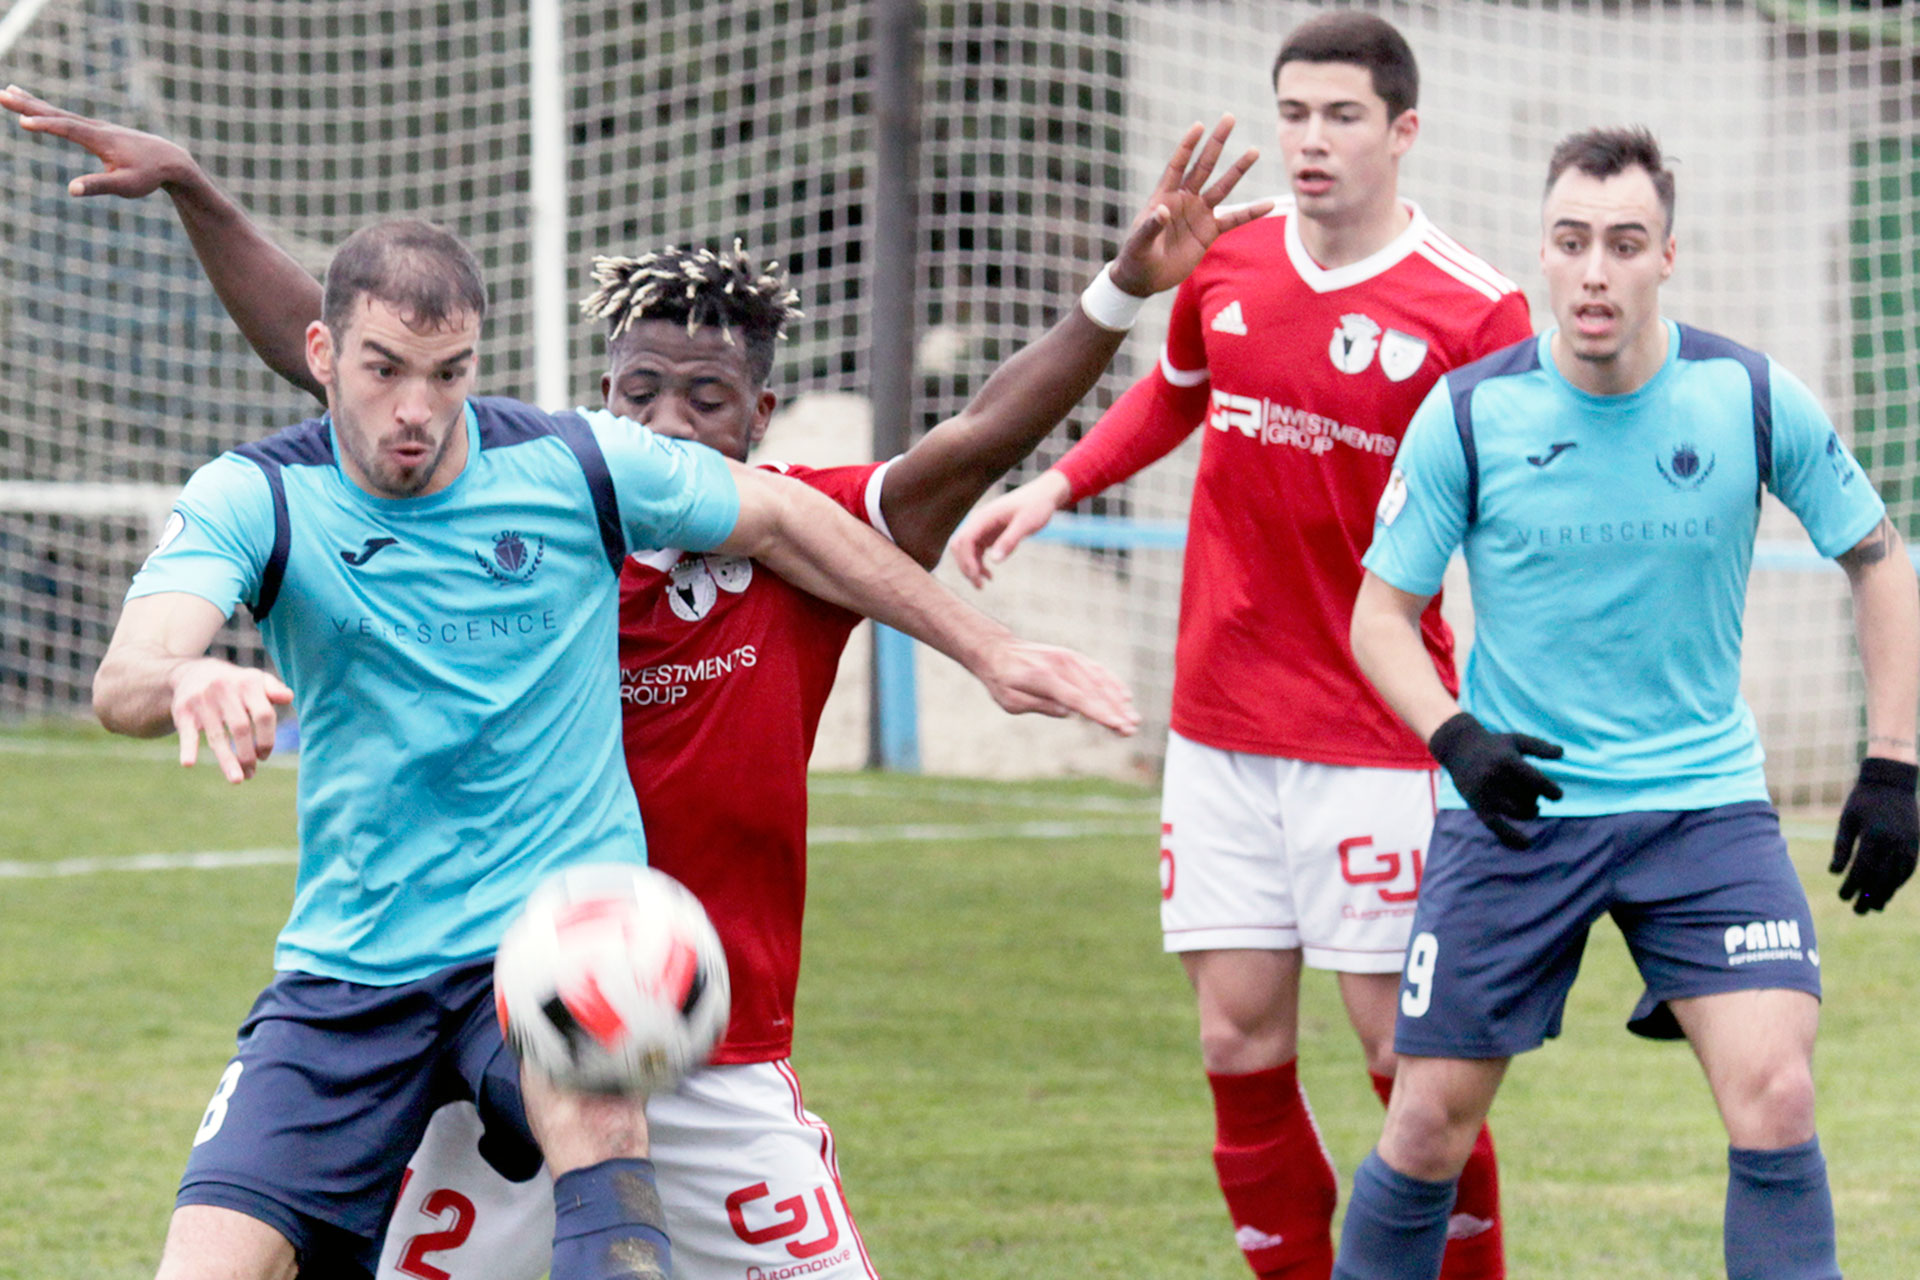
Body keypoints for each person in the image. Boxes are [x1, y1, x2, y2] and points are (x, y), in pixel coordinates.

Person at [6, 87, 1267, 1279]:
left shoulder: (697, 504)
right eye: (640, 392)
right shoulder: (443, 490)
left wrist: (992, 642)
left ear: (758, 416)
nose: (666, 422)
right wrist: (182, 671)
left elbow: (939, 456)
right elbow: (357, 385)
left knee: (617, 1153)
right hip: (430, 987)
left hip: (662, 1008)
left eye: (705, 398)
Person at [948, 15, 1527, 1279]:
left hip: (1379, 734)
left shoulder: (1478, 312)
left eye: (1343, 117)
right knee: (1235, 1042)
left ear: (1403, 131)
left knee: (1408, 1067)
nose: (1311, 142)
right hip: (1218, 729)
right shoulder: (1232, 263)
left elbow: (1525, 515)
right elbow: (1180, 389)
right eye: (1295, 115)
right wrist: (1056, 484)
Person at [1335, 126, 1920, 1280]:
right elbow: (1378, 616)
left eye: (1622, 242)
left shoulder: (1747, 394)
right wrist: (1457, 738)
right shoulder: (1469, 413)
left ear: (1666, 257)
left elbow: (1879, 556)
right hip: (1519, 810)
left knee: (1777, 1088)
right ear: (1543, 258)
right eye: (1571, 242)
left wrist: (1895, 760)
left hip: (1704, 807)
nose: (1595, 268)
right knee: (1424, 1122)